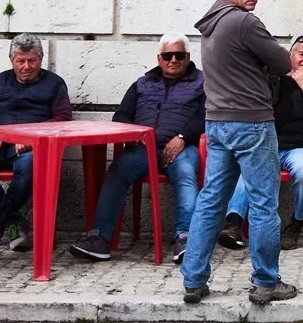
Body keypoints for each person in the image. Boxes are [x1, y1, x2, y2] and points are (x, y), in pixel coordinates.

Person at [181, 0, 297, 306]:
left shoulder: (211, 24)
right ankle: (265, 281)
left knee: (210, 200)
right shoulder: (244, 22)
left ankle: (193, 279)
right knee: (263, 203)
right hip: (251, 123)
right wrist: (264, 64)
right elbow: (282, 61)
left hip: (217, 123)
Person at [67, 35, 205, 263]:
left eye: (179, 55)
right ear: (159, 59)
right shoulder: (142, 84)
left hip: (182, 147)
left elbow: (206, 116)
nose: (173, 60)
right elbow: (121, 115)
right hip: (144, 148)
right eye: (167, 56)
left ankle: (185, 238)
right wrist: (134, 136)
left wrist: (182, 137)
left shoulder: (201, 84)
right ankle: (100, 239)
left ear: (188, 58)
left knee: (186, 174)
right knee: (118, 170)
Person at [220, 34, 303, 253]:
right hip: (267, 144)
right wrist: (287, 83)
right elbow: (269, 113)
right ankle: (233, 224)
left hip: (299, 148)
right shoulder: (275, 77)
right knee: (248, 169)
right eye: (301, 54)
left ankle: (295, 224)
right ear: (291, 55)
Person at [0, 34, 72, 251]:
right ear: (12, 61)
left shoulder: (54, 84)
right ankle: (11, 220)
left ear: (40, 60)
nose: (26, 66)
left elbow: (63, 119)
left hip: (30, 148)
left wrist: (32, 138)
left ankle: (0, 223)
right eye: (20, 61)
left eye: (31, 61)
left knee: (30, 166)